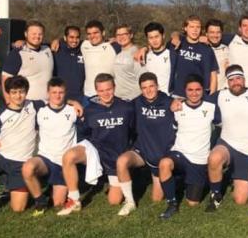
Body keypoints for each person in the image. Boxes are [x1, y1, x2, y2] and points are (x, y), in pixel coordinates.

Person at [58, 73, 135, 216]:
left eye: (108, 89)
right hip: (96, 152)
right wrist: (72, 102)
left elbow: (133, 131)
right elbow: (83, 133)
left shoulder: (126, 107)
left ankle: (119, 181)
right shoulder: (90, 110)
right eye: (101, 90)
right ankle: (74, 200)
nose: (105, 93)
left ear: (114, 88)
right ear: (96, 91)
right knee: (69, 156)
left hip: (115, 157)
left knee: (114, 200)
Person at [205, 65, 248, 211]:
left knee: (240, 200)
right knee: (214, 158)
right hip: (226, 145)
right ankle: (216, 194)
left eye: (238, 78)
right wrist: (177, 102)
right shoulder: (219, 96)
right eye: (231, 80)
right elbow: (196, 101)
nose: (235, 82)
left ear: (244, 79)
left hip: (247, 151)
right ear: (227, 82)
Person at [158, 75, 221, 219]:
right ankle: (172, 204)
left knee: (193, 203)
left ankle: (186, 181)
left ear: (203, 90)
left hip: (199, 160)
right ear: (185, 91)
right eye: (190, 90)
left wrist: (217, 146)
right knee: (164, 164)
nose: (194, 93)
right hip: (180, 153)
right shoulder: (177, 107)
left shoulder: (211, 108)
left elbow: (222, 126)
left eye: (198, 89)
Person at [115, 72, 177, 216]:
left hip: (161, 154)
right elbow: (115, 105)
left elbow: (190, 102)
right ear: (140, 89)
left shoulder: (169, 102)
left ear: (157, 86)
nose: (148, 90)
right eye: (144, 88)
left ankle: (172, 179)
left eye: (151, 86)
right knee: (122, 161)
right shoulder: (136, 103)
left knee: (156, 198)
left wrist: (180, 100)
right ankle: (130, 202)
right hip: (141, 151)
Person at [21, 78, 78, 215]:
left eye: (61, 92)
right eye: (54, 92)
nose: (57, 96)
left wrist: (75, 103)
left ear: (65, 93)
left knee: (58, 203)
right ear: (48, 93)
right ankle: (40, 200)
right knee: (28, 167)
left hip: (64, 164)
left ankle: (54, 189)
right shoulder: (39, 111)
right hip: (45, 159)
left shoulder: (73, 111)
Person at [0, 76, 38, 212]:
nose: (18, 96)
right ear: (9, 93)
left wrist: (73, 103)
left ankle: (14, 185)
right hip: (0, 159)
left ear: (26, 92)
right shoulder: (0, 115)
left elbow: (55, 101)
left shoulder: (34, 105)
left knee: (18, 209)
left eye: (21, 91)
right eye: (14, 92)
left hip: (20, 165)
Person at [2, 20, 53, 102]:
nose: (37, 36)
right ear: (26, 34)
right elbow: (6, 81)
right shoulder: (17, 53)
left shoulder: (48, 49)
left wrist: (58, 41)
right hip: (26, 105)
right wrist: (9, 103)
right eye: (34, 34)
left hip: (48, 105)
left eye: (40, 34)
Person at [172, 15, 219, 97]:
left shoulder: (207, 49)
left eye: (198, 27)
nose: (195, 30)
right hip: (179, 94)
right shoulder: (178, 43)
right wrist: (145, 48)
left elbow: (213, 75)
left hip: (199, 96)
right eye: (191, 27)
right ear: (185, 28)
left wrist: (211, 96)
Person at [78, 20, 120, 99]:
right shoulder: (84, 45)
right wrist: (58, 41)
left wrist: (144, 48)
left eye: (95, 33)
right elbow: (70, 41)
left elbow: (131, 48)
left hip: (108, 95)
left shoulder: (114, 46)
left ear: (103, 33)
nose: (92, 36)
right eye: (89, 34)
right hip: (88, 95)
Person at [225, 14, 248, 89]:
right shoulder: (231, 39)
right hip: (231, 89)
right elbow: (212, 37)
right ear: (240, 28)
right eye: (244, 25)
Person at [142, 22, 176, 95]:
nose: (154, 40)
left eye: (157, 36)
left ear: (163, 36)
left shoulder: (172, 54)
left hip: (168, 98)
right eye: (151, 38)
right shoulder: (145, 55)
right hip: (151, 98)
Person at [52, 25, 85, 102]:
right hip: (61, 97)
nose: (74, 40)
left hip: (81, 97)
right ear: (65, 37)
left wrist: (113, 39)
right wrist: (22, 41)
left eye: (77, 37)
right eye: (71, 37)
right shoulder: (56, 49)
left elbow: (98, 42)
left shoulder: (84, 48)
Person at [113, 24, 143, 101]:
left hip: (132, 99)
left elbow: (142, 78)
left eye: (124, 34)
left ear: (131, 35)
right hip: (118, 98)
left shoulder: (137, 53)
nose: (121, 37)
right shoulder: (118, 55)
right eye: (118, 35)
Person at [205, 19, 229, 91]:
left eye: (218, 32)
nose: (215, 35)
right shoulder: (200, 49)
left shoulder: (228, 49)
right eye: (212, 32)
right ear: (206, 34)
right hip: (204, 93)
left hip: (223, 93)